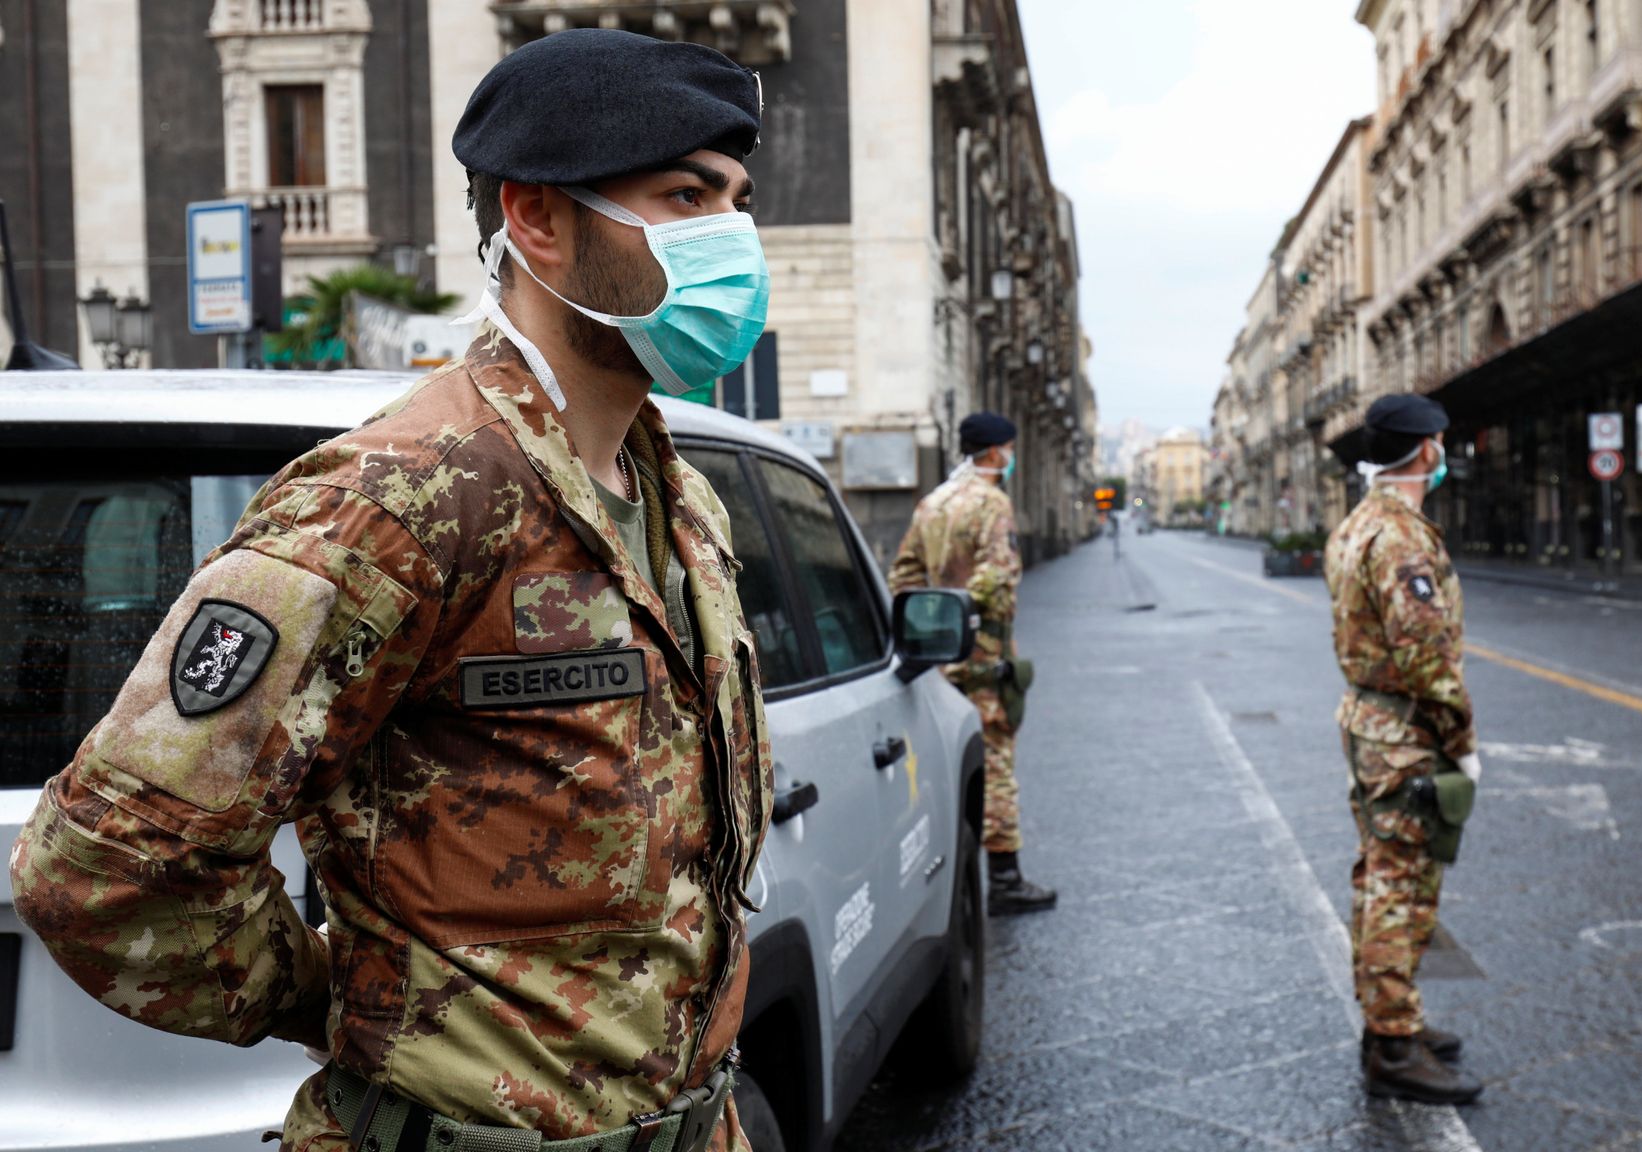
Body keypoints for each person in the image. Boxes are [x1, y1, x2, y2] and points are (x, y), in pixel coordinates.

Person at [11, 29, 776, 1151]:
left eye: (738, 202)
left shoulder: (681, 500)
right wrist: (344, 1001)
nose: (734, 239)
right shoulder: (404, 496)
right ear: (536, 219)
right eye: (685, 196)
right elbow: (107, 865)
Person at [1324, 393, 1485, 1105]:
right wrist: (1462, 740)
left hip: (1369, 722)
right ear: (1427, 449)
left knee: (1381, 877)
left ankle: (1394, 1020)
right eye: (1442, 443)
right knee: (1400, 886)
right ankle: (1392, 1045)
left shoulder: (1358, 524)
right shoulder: (1402, 538)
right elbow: (1427, 658)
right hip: (1405, 734)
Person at [888, 413, 1057, 916]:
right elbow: (998, 577)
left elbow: (904, 575)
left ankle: (945, 874)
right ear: (994, 452)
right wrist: (964, 607)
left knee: (946, 763)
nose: (1009, 459)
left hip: (939, 657)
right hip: (984, 655)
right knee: (997, 765)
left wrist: (934, 619)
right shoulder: (992, 504)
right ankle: (1004, 880)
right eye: (1008, 449)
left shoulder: (932, 502)